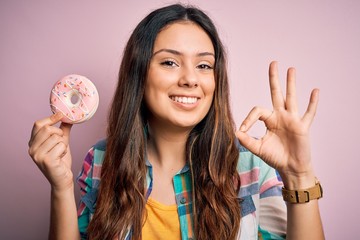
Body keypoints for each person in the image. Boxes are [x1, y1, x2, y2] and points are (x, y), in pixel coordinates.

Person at [28, 3, 324, 240]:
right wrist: (61, 187)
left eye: (204, 65)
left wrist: (299, 175)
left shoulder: (252, 168)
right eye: (170, 62)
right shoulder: (100, 161)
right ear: (139, 74)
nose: (190, 79)